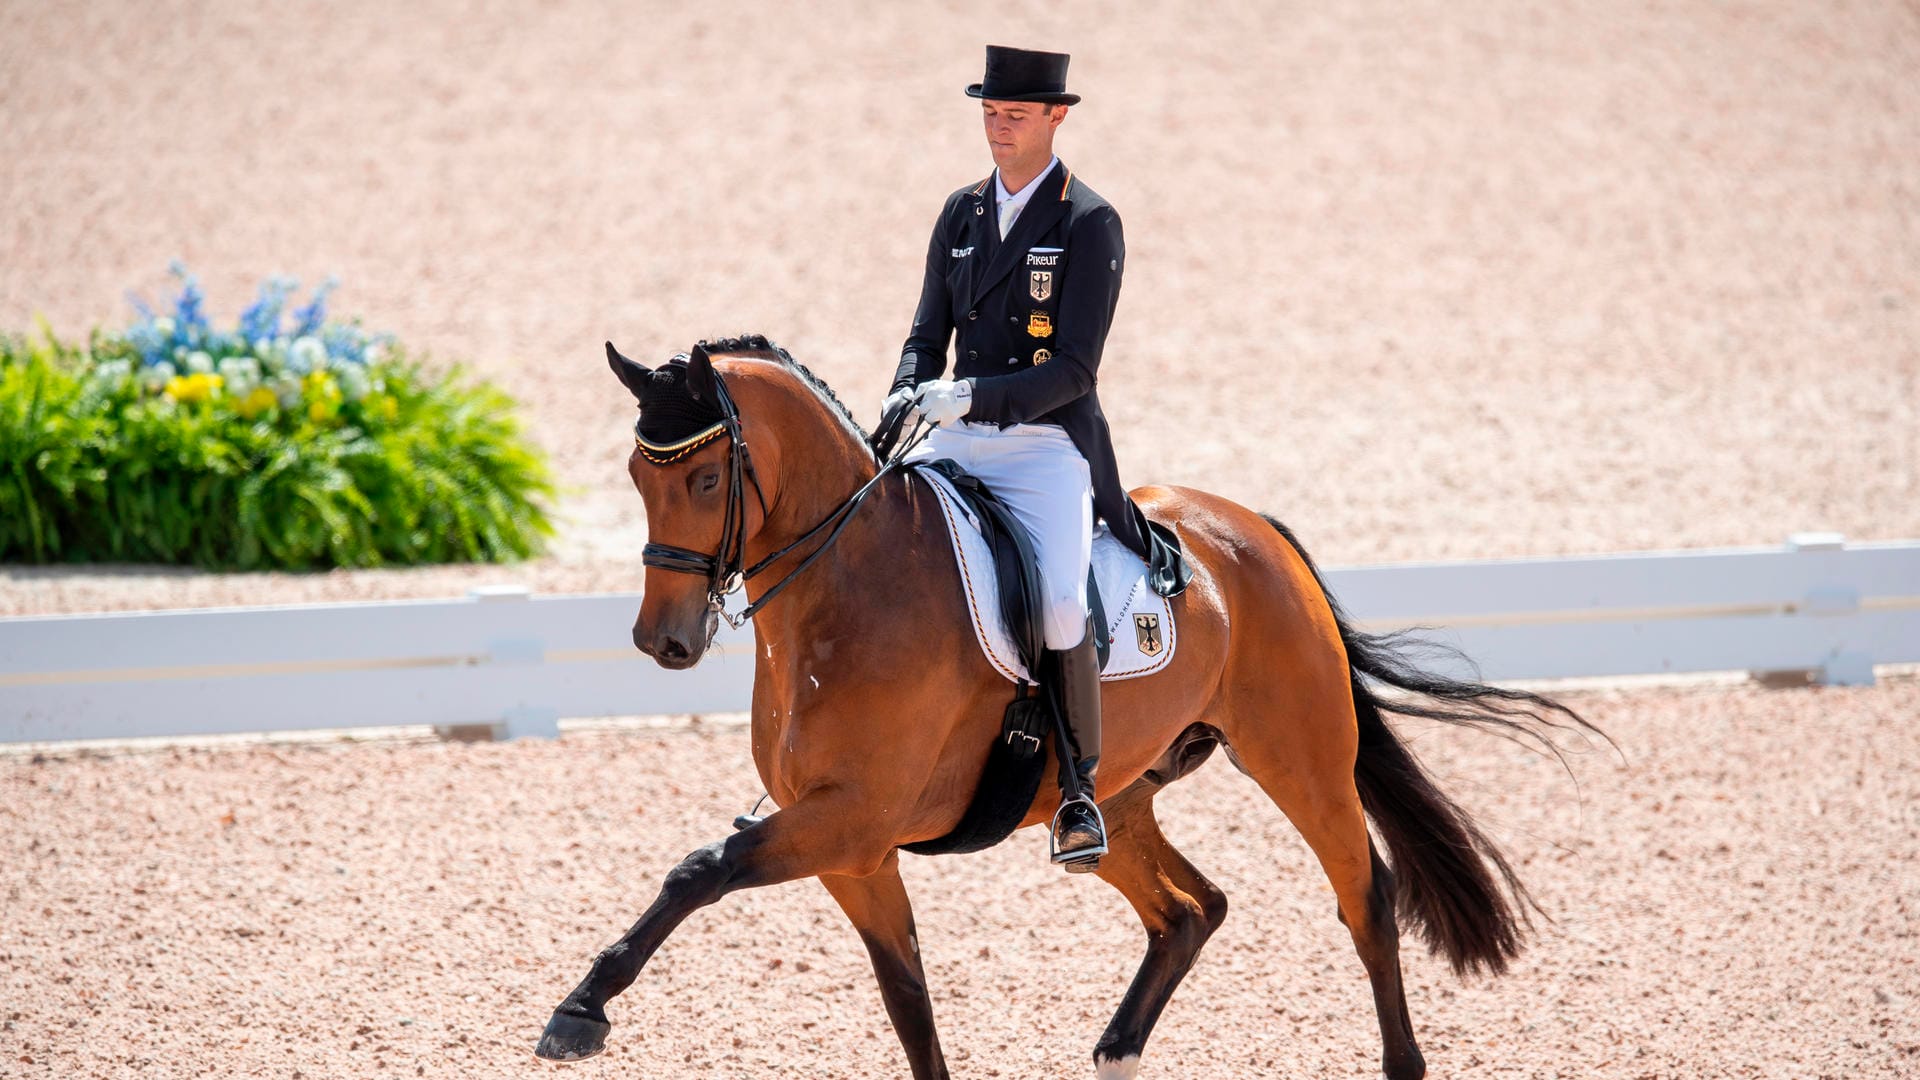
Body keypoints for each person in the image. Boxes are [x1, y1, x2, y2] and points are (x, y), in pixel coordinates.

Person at [881, 45, 1190, 870]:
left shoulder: (1088, 222)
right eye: (990, 112)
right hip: (955, 435)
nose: (999, 128)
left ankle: (1081, 791)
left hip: (1047, 443)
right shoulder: (960, 214)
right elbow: (926, 333)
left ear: (1056, 118)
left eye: (1015, 115)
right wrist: (906, 388)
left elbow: (1074, 371)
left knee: (1058, 603)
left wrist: (972, 397)